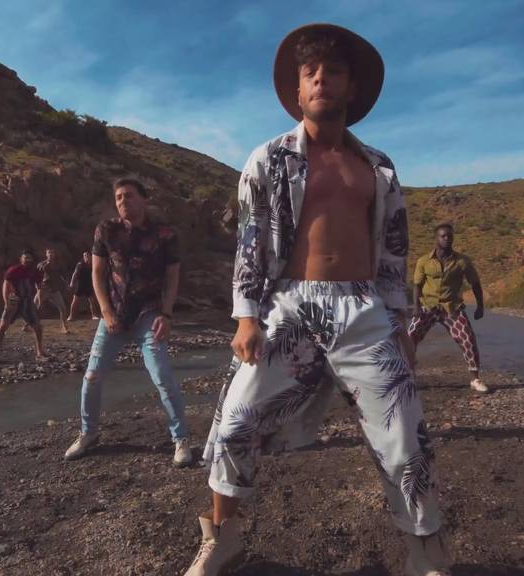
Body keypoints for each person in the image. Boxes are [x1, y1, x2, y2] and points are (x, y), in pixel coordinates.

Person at [185, 24, 450, 576]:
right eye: (311, 73)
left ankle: (424, 554)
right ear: (299, 89)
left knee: (405, 436)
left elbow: (394, 249)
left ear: (351, 87)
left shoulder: (379, 166)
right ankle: (223, 538)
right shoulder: (268, 158)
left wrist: (400, 321)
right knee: (235, 420)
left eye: (333, 72)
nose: (321, 79)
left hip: (364, 309)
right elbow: (251, 242)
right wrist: (245, 316)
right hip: (290, 306)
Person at [63, 178, 193, 467]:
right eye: (119, 197)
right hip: (114, 315)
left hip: (149, 314)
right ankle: (88, 432)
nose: (123, 201)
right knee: (92, 376)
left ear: (144, 199)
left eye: (129, 195)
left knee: (162, 376)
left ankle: (181, 439)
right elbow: (97, 274)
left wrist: (167, 314)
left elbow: (172, 277)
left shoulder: (165, 234)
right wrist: (106, 312)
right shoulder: (106, 230)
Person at [409, 224, 487, 393]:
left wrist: (480, 306)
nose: (446, 239)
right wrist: (416, 307)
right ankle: (408, 374)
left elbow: (475, 283)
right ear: (436, 238)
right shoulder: (424, 261)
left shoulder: (462, 261)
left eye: (449, 236)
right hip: (428, 305)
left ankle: (475, 379)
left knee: (467, 338)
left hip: (451, 307)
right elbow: (417, 285)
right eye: (443, 236)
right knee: (410, 337)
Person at [0, 248, 44, 364]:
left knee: (37, 327)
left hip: (27, 302)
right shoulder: (14, 270)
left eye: (30, 258)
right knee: (3, 326)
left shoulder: (35, 271)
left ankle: (39, 353)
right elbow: (6, 285)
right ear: (21, 259)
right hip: (14, 301)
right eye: (25, 258)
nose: (27, 260)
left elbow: (39, 286)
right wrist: (6, 302)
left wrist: (38, 298)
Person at [36, 248, 71, 335]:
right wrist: (38, 289)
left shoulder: (58, 265)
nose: (51, 254)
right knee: (37, 307)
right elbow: (37, 276)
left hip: (55, 290)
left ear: (55, 254)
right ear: (46, 254)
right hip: (43, 289)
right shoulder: (41, 264)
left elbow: (63, 276)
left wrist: (67, 285)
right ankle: (28, 325)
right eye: (49, 253)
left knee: (62, 308)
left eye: (52, 253)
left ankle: (64, 326)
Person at [67, 251, 100, 321]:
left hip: (88, 284)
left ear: (91, 256)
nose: (86, 257)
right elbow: (75, 274)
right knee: (75, 300)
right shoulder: (80, 264)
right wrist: (72, 283)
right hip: (80, 284)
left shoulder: (93, 264)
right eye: (84, 256)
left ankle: (94, 315)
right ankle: (71, 316)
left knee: (92, 301)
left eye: (87, 255)